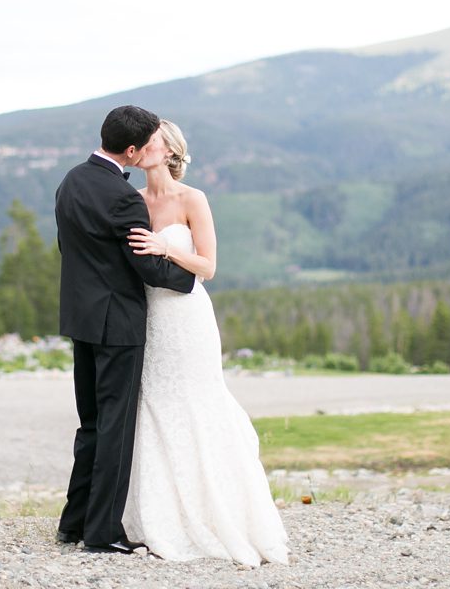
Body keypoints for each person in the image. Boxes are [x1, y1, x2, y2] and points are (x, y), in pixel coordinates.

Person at [122, 119, 290, 566]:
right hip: (148, 319)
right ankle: (159, 514)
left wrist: (165, 248)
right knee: (153, 406)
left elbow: (208, 266)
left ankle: (220, 514)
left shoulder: (192, 198)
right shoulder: (133, 201)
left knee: (198, 402)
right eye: (140, 143)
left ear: (170, 149)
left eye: (152, 140)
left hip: (187, 318)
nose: (143, 147)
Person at [55, 105, 197, 554]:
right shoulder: (125, 198)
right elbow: (147, 268)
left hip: (81, 319)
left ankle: (73, 523)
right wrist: (187, 277)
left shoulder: (71, 180)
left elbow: (71, 248)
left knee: (91, 425)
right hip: (117, 324)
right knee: (115, 428)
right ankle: (102, 533)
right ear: (132, 149)